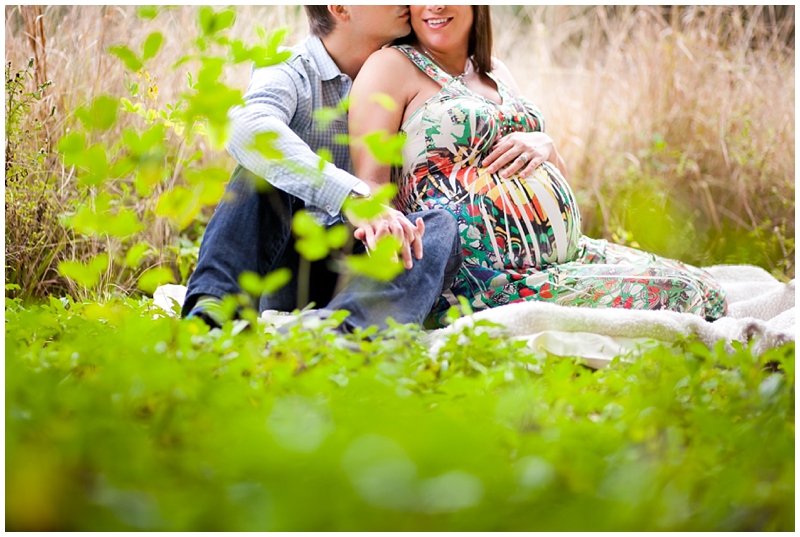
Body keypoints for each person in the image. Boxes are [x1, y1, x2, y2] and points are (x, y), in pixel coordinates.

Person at [348, 5, 727, 328]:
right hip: (480, 277)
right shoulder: (391, 66)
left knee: (706, 287)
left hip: (563, 257)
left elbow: (553, 172)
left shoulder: (496, 70)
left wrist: (546, 144)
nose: (435, 5)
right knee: (682, 293)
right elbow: (371, 187)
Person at [182, 5, 462, 333]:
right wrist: (350, 195)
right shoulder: (291, 66)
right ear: (339, 7)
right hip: (289, 263)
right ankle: (212, 314)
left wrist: (535, 140)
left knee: (439, 225)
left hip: (367, 268)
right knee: (259, 168)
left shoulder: (416, 71)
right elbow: (245, 125)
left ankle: (344, 332)